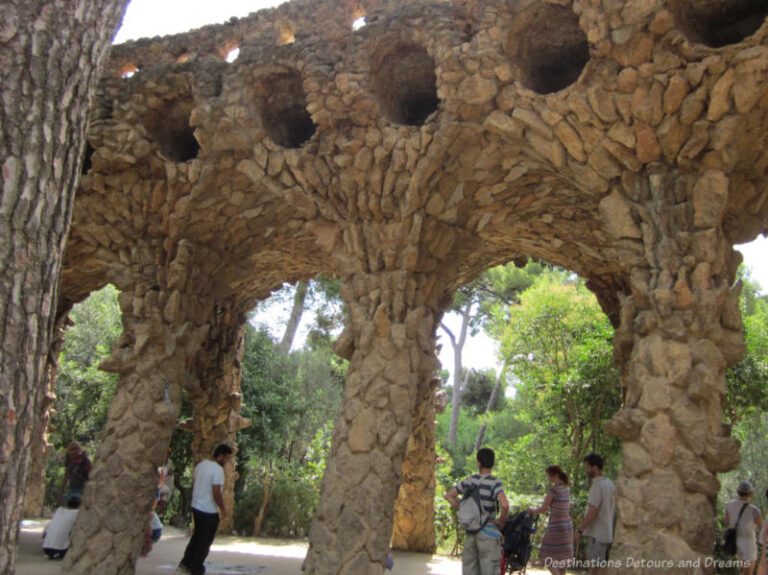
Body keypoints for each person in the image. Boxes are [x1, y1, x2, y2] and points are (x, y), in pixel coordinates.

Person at [445, 447, 510, 575]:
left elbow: (449, 495)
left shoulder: (470, 480)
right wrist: (501, 522)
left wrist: (464, 510)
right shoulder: (494, 482)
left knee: (469, 569)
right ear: (493, 464)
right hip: (488, 532)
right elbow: (505, 505)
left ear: (478, 463)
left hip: (471, 532)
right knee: (489, 569)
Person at [177, 444, 234, 575]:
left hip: (196, 507)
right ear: (221, 456)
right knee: (205, 541)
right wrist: (223, 509)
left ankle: (186, 562)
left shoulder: (201, 466)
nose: (228, 461)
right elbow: (216, 492)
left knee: (197, 537)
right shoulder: (217, 470)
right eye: (227, 458)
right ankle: (196, 567)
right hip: (208, 510)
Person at [528, 465, 573, 574]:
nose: (548, 478)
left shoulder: (553, 490)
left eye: (548, 476)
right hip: (567, 526)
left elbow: (543, 509)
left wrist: (531, 511)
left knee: (546, 555)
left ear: (554, 475)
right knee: (562, 560)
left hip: (556, 527)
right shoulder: (567, 489)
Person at [575, 453, 615, 575]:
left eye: (588, 467)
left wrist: (580, 530)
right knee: (600, 566)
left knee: (596, 567)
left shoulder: (597, 485)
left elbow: (593, 511)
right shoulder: (610, 483)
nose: (586, 471)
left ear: (595, 467)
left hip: (596, 534)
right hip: (607, 531)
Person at [725, 480, 763, 575]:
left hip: (736, 542)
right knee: (748, 573)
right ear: (750, 493)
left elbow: (727, 522)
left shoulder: (729, 505)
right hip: (749, 545)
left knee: (742, 571)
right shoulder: (754, 510)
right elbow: (761, 528)